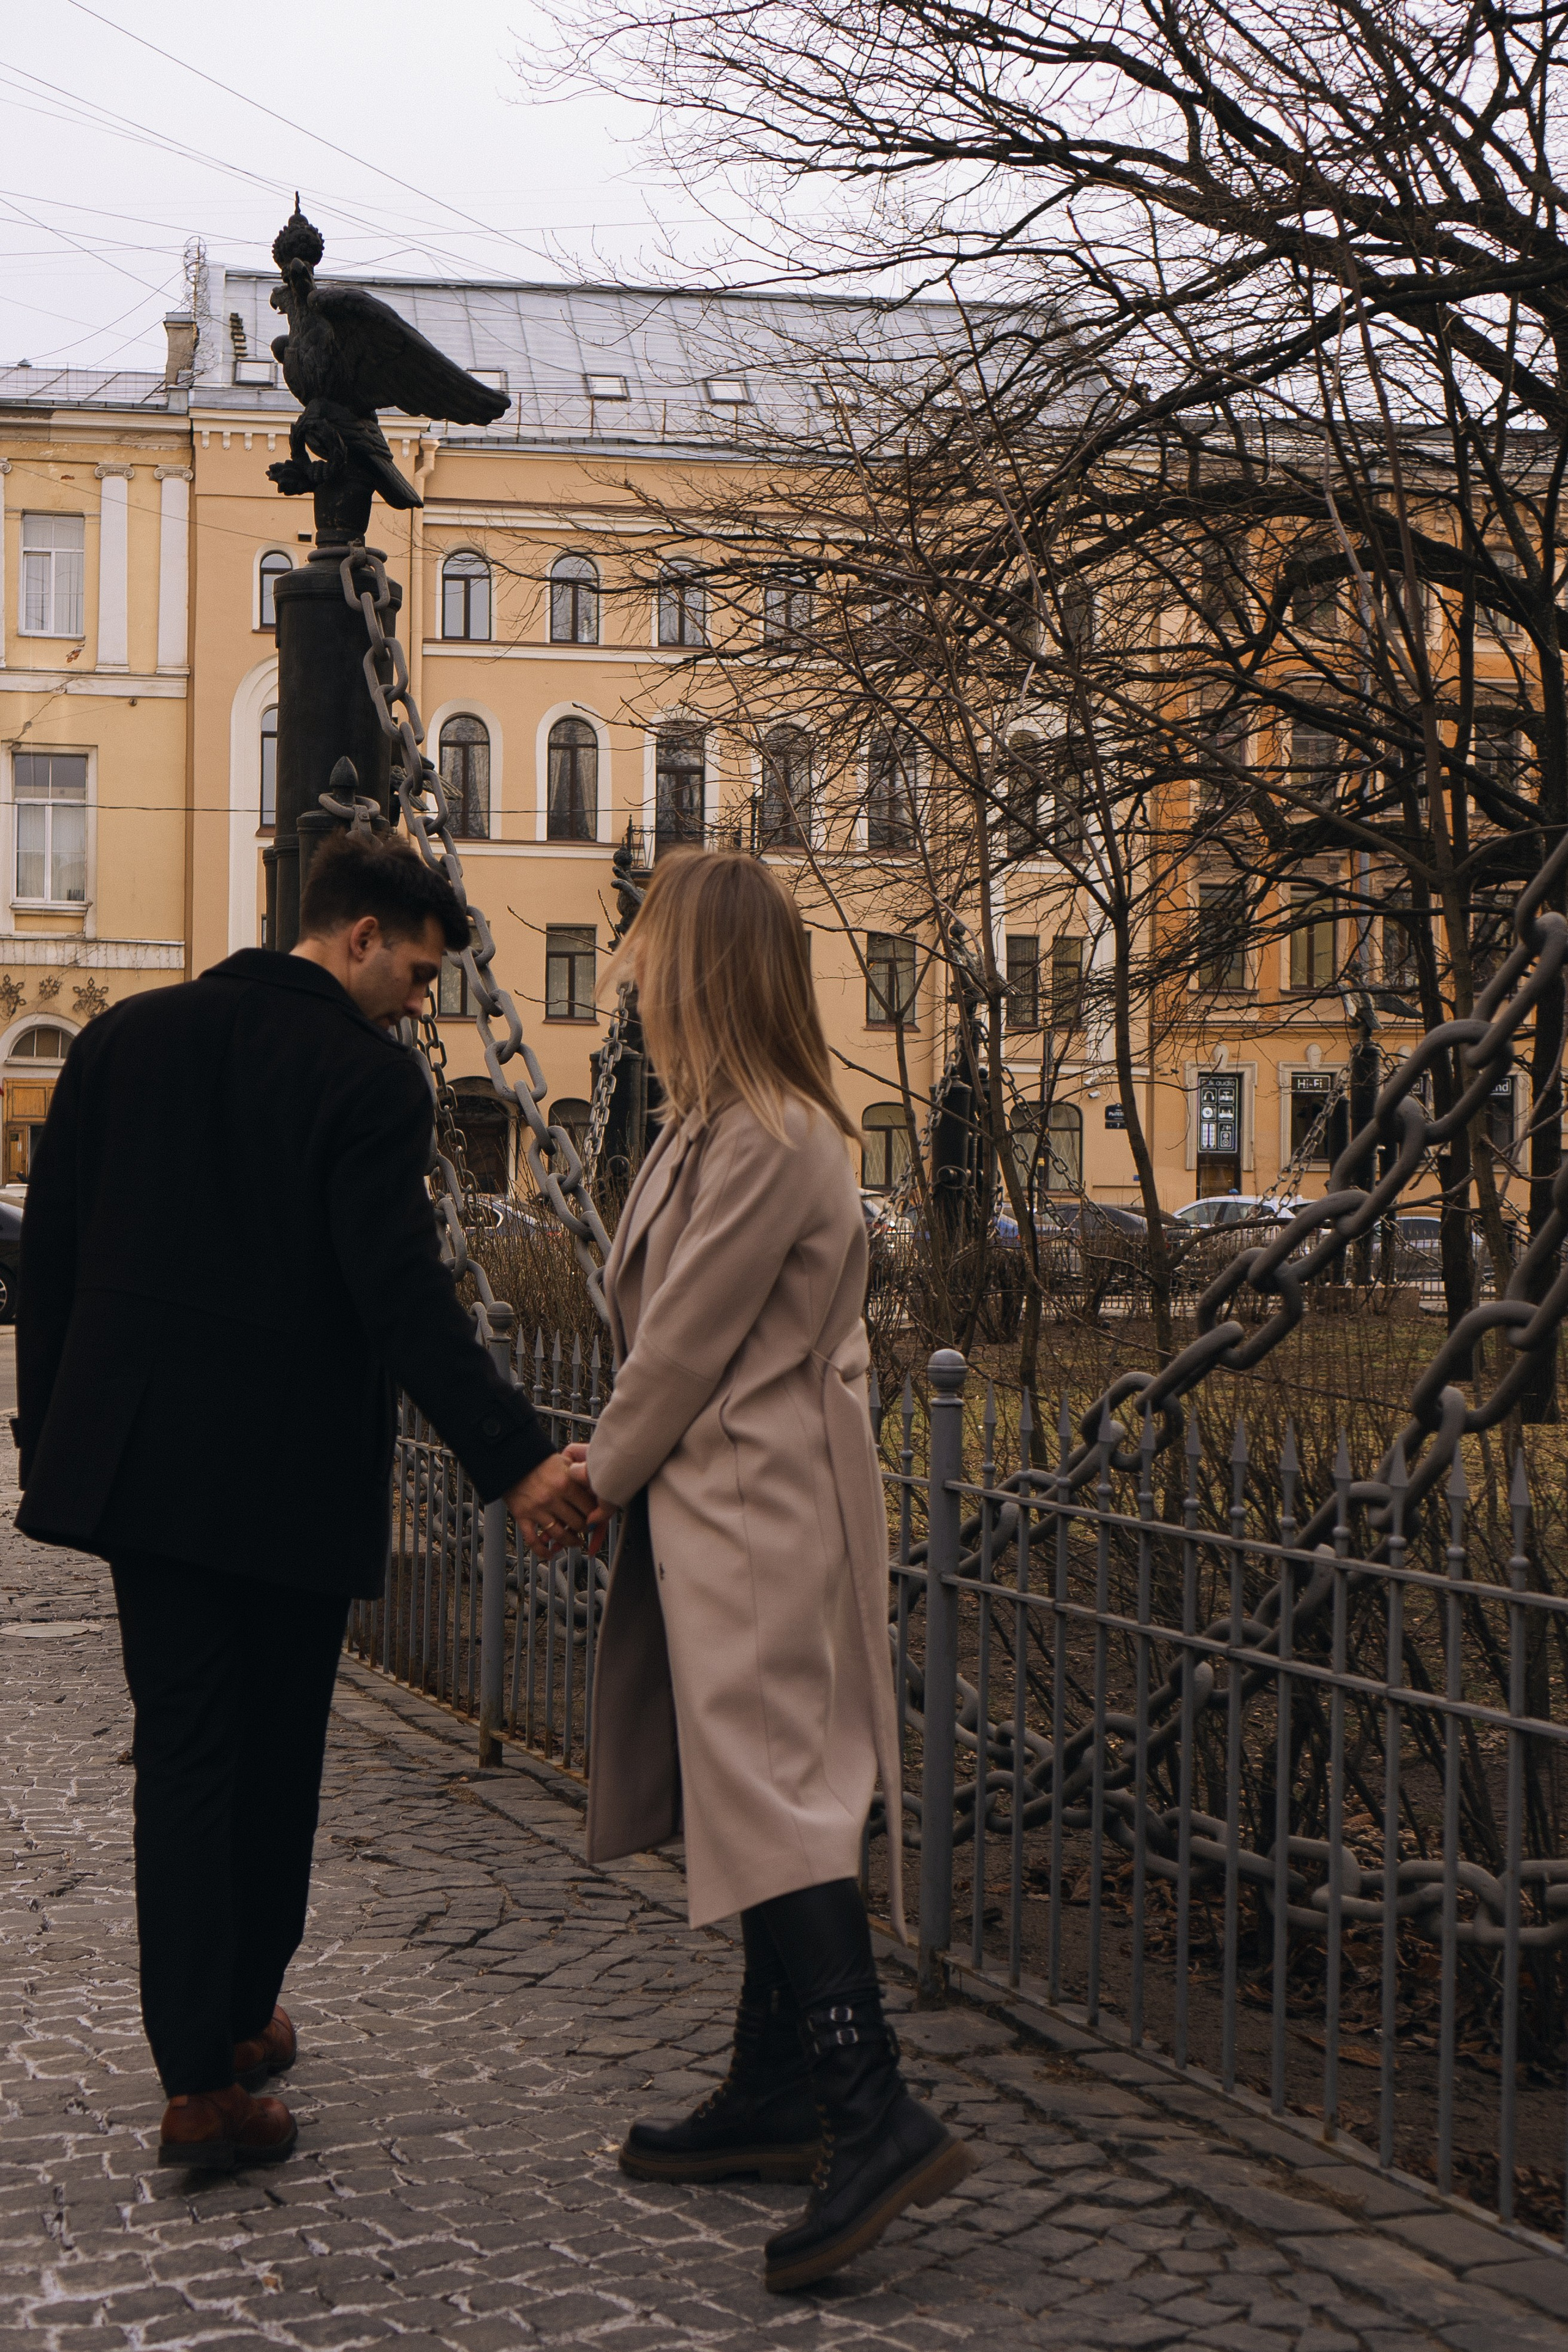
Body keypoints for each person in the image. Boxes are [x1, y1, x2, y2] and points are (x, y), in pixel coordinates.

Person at [15, 834, 592, 2172]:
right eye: (418, 973)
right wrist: (514, 1460)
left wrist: (56, 1435)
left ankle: (203, 2049)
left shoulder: (126, 1042)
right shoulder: (361, 1081)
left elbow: (54, 1255)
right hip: (280, 1478)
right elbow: (402, 1298)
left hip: (144, 1471)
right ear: (357, 938)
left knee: (186, 1754)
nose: (423, 1004)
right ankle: (214, 2067)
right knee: (272, 1763)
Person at [579, 849, 971, 2293]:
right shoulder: (714, 1128)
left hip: (758, 1510)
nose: (631, 981)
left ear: (702, 970)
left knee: (780, 1799)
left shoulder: (775, 1138)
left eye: (648, 959)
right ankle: (773, 2088)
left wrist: (587, 1476)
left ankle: (869, 2111)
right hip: (725, 1507)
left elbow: (681, 1340)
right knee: (751, 1794)